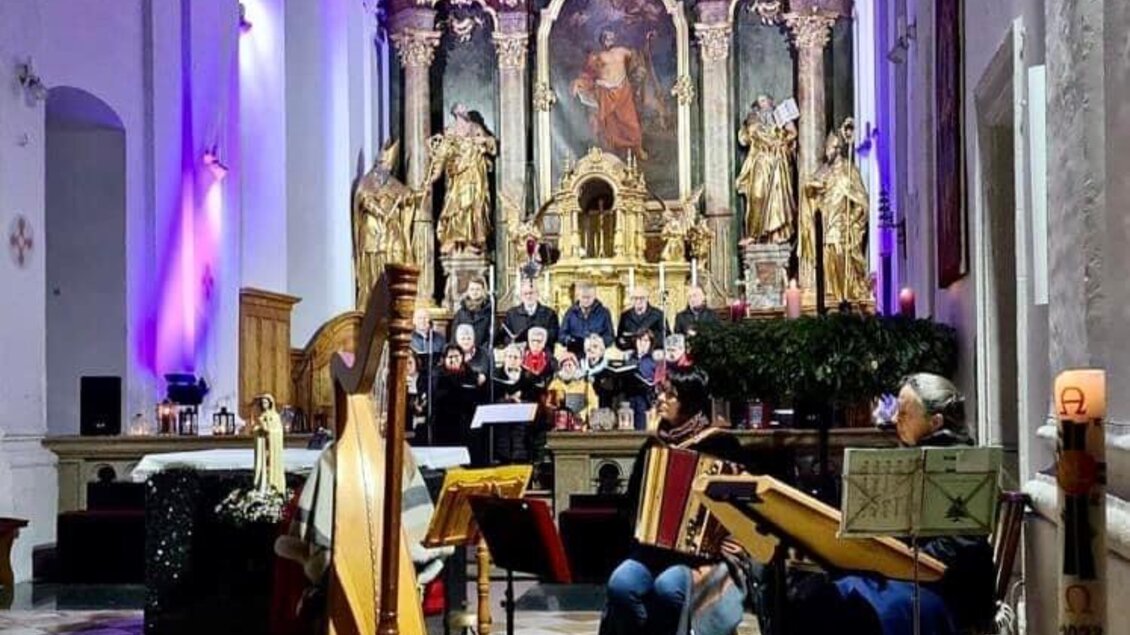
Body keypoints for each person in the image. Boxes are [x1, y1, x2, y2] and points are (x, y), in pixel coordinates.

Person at [771, 373, 995, 635]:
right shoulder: (903, 460)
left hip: (945, 589)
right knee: (815, 594)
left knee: (853, 612)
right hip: (899, 576)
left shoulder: (966, 467)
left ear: (935, 422)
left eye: (904, 414)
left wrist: (893, 560)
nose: (894, 420)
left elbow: (957, 546)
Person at [600, 368, 751, 635]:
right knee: (621, 583)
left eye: (671, 394)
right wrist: (642, 524)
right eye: (661, 392)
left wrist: (727, 536)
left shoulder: (722, 445)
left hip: (706, 555)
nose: (661, 399)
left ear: (690, 401)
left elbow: (743, 502)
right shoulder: (654, 446)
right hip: (656, 549)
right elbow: (632, 501)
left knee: (668, 587)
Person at [432, 344, 487, 459]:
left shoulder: (469, 372)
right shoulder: (438, 374)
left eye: (457, 356)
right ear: (444, 359)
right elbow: (438, 396)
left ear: (462, 357)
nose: (454, 360)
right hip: (446, 418)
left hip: (467, 414)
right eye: (450, 357)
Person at [560, 281, 614, 356]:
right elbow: (561, 335)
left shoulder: (604, 313)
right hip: (575, 355)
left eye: (588, 297)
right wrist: (570, 340)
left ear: (594, 296)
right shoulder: (570, 312)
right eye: (583, 297)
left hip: (596, 355)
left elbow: (610, 337)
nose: (585, 300)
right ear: (578, 296)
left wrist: (599, 341)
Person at [501, 280, 559, 349]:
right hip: (520, 355)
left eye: (531, 293)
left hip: (543, 355)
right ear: (521, 295)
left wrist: (539, 338)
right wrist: (513, 342)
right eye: (525, 293)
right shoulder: (511, 314)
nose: (528, 296)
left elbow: (555, 335)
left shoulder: (549, 314)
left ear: (537, 294)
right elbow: (504, 336)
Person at [547, 353, 598, 427]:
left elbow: (593, 403)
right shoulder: (555, 384)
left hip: (580, 424)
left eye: (570, 365)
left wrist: (582, 415)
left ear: (575, 366)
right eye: (564, 365)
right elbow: (550, 404)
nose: (567, 368)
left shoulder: (585, 383)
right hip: (561, 423)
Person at [624, 330, 660, 431]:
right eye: (640, 340)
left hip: (645, 396)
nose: (642, 343)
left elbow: (656, 379)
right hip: (629, 395)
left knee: (641, 423)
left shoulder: (653, 360)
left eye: (646, 341)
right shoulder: (630, 358)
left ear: (650, 343)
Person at [616, 286, 667, 351]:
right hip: (631, 350)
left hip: (653, 350)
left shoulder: (658, 314)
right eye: (635, 298)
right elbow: (619, 338)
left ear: (647, 299)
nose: (638, 301)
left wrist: (648, 343)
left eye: (642, 298)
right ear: (631, 300)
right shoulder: (625, 315)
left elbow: (665, 335)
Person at [449, 276, 493, 349]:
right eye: (472, 289)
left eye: (477, 289)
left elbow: (491, 336)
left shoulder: (489, 312)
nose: (474, 292)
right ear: (468, 291)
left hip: (482, 352)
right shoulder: (461, 313)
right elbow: (454, 336)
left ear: (483, 291)